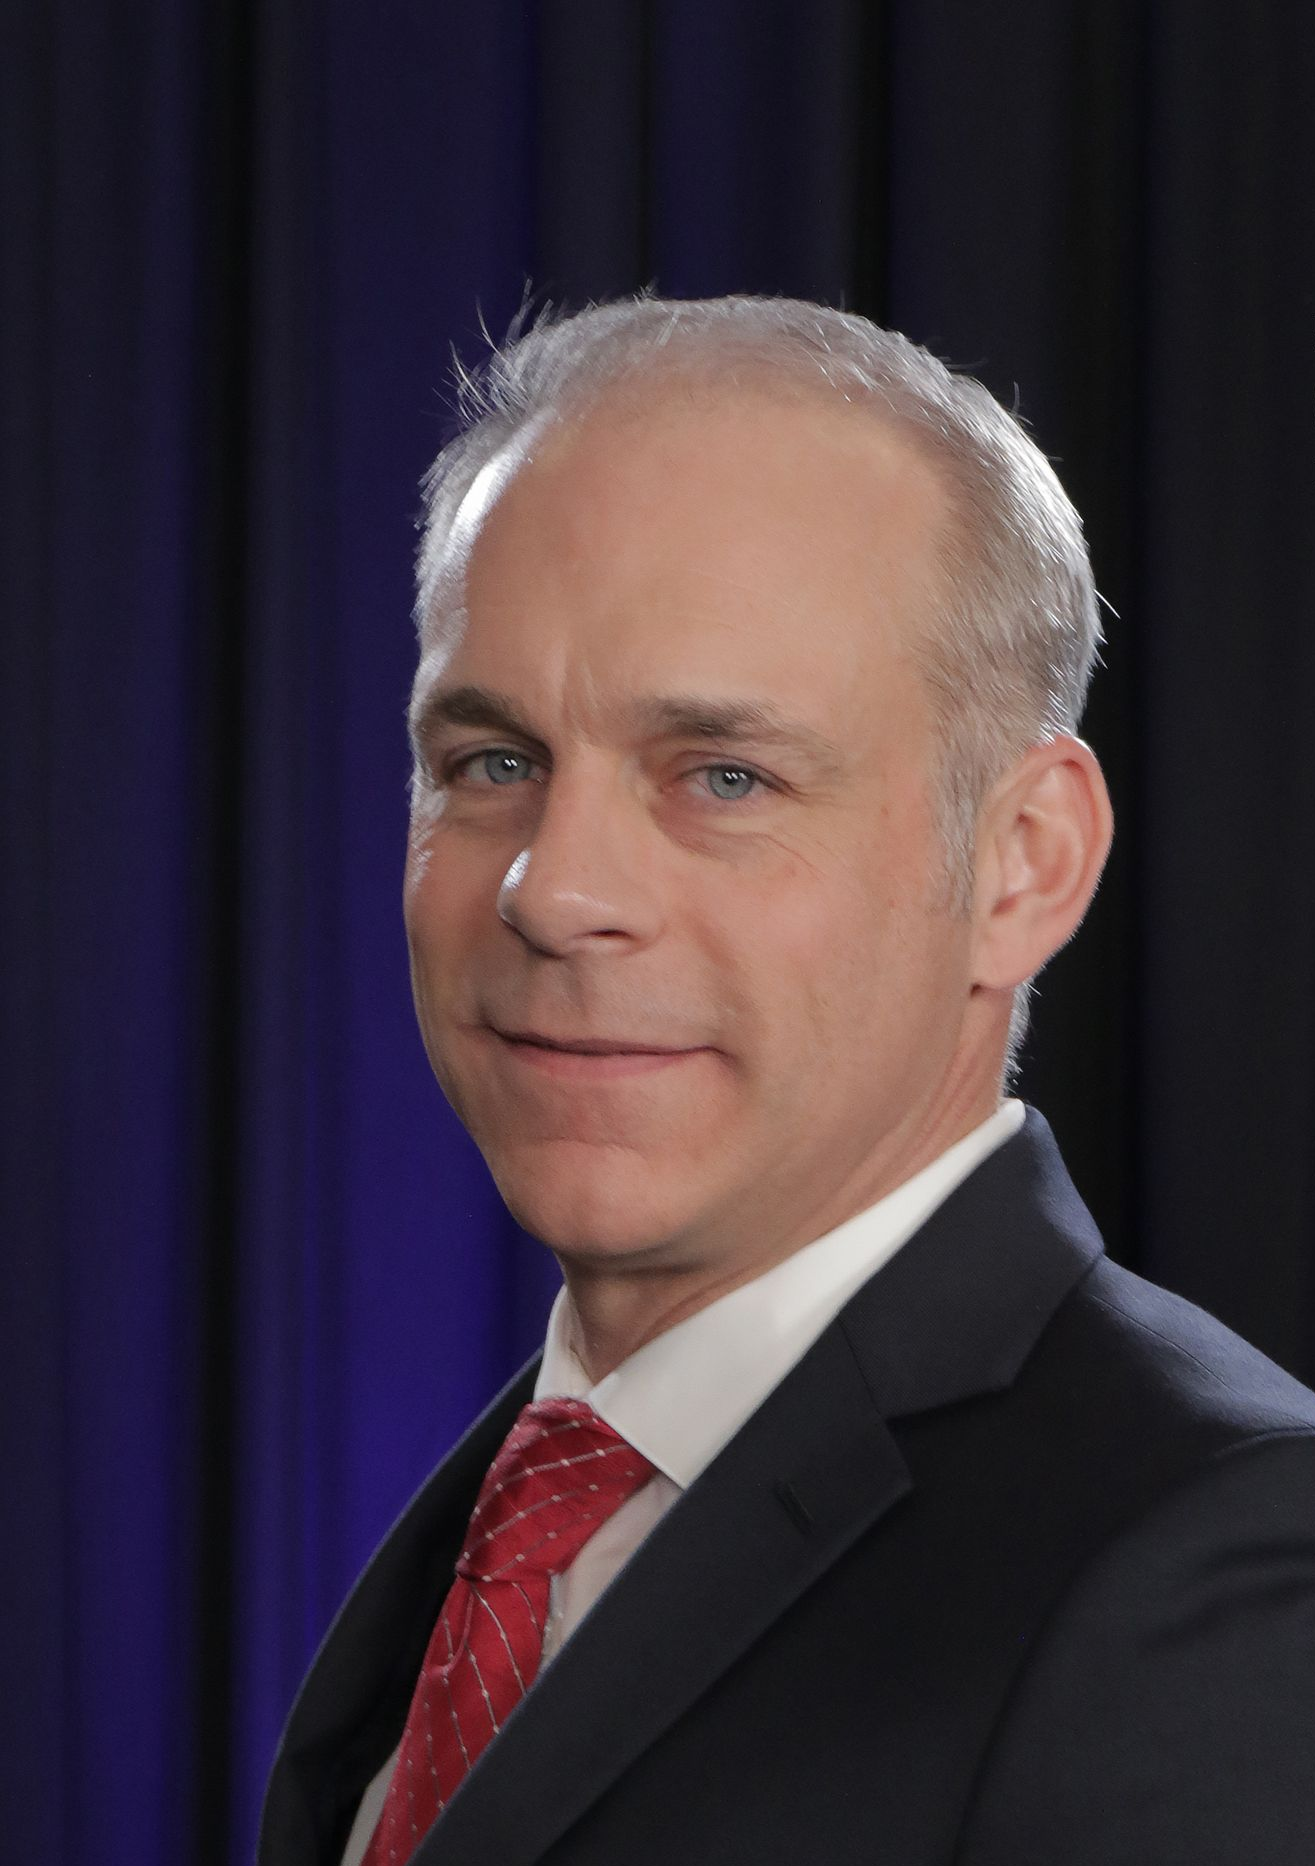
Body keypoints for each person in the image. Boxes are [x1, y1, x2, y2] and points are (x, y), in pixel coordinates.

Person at [260, 297, 1315, 1866]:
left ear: (1022, 865)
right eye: (492, 761)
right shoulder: (521, 1504)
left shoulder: (1216, 1573)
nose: (552, 891)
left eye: (723, 777)